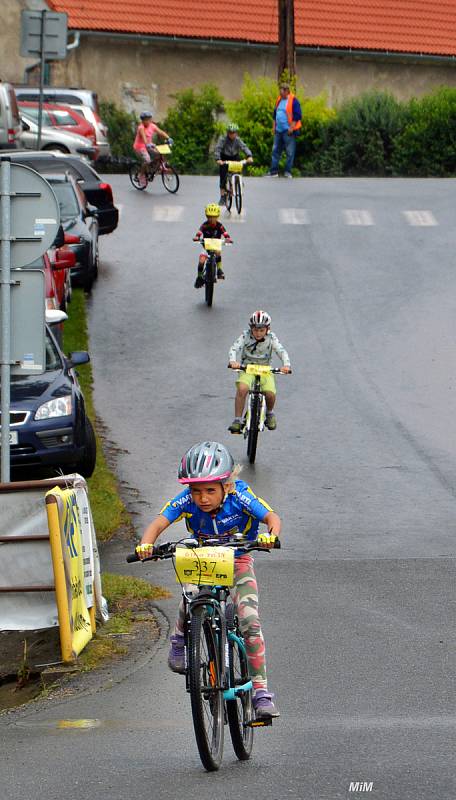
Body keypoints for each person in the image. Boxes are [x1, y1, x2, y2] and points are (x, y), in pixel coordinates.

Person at [136, 440, 281, 719]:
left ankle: (261, 691)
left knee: (250, 620)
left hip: (238, 560)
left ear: (227, 485)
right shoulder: (186, 500)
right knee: (190, 595)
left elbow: (272, 517)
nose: (202, 498)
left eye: (210, 491)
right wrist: (146, 544)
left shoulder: (240, 496)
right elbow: (158, 523)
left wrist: (270, 535)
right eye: (196, 491)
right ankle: (179, 641)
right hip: (203, 559)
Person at [228, 310, 291, 433]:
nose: (258, 333)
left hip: (265, 370)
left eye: (261, 330)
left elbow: (281, 351)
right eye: (255, 330)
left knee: (270, 393)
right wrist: (233, 361)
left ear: (268, 329)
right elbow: (234, 348)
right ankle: (237, 420)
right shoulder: (245, 336)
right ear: (251, 328)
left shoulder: (271, 338)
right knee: (242, 389)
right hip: (247, 368)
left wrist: (286, 365)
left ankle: (270, 413)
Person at [265, 83, 302, 178]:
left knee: (290, 152)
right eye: (280, 91)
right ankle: (273, 172)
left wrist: (291, 128)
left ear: (287, 91)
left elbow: (297, 115)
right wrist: (274, 127)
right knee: (275, 150)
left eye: (282, 91)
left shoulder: (293, 101)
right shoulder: (279, 100)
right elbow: (275, 114)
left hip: (288, 131)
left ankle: (287, 172)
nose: (280, 93)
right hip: (278, 130)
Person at [192, 203, 232, 288]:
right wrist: (197, 237)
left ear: (217, 217)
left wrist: (228, 238)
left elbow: (225, 233)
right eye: (209, 217)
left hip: (216, 246)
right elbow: (199, 232)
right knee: (201, 261)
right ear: (207, 216)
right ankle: (199, 277)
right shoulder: (204, 225)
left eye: (214, 217)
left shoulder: (220, 226)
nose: (212, 219)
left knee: (218, 252)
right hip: (206, 248)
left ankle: (219, 270)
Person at [214, 123, 253, 206]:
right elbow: (218, 149)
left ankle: (237, 183)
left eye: (234, 133)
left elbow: (244, 147)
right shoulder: (223, 139)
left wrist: (249, 156)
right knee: (223, 176)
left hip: (235, 157)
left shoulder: (238, 140)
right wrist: (218, 159)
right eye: (230, 133)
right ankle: (223, 196)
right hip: (224, 158)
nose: (232, 134)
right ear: (228, 133)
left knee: (238, 170)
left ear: (236, 133)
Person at [133, 110, 170, 187]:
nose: (148, 121)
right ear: (142, 120)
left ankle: (157, 166)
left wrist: (169, 138)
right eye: (146, 119)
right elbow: (144, 138)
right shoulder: (141, 128)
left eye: (149, 119)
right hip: (140, 147)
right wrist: (148, 144)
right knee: (147, 160)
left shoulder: (152, 126)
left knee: (160, 153)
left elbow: (160, 132)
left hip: (149, 145)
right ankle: (141, 175)